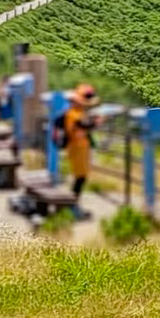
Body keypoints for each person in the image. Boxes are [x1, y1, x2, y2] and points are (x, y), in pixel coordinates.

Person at [64, 83, 98, 218]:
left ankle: (74, 205)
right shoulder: (73, 114)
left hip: (81, 148)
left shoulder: (78, 112)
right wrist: (96, 122)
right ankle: (73, 206)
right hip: (77, 148)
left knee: (81, 178)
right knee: (80, 178)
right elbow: (83, 125)